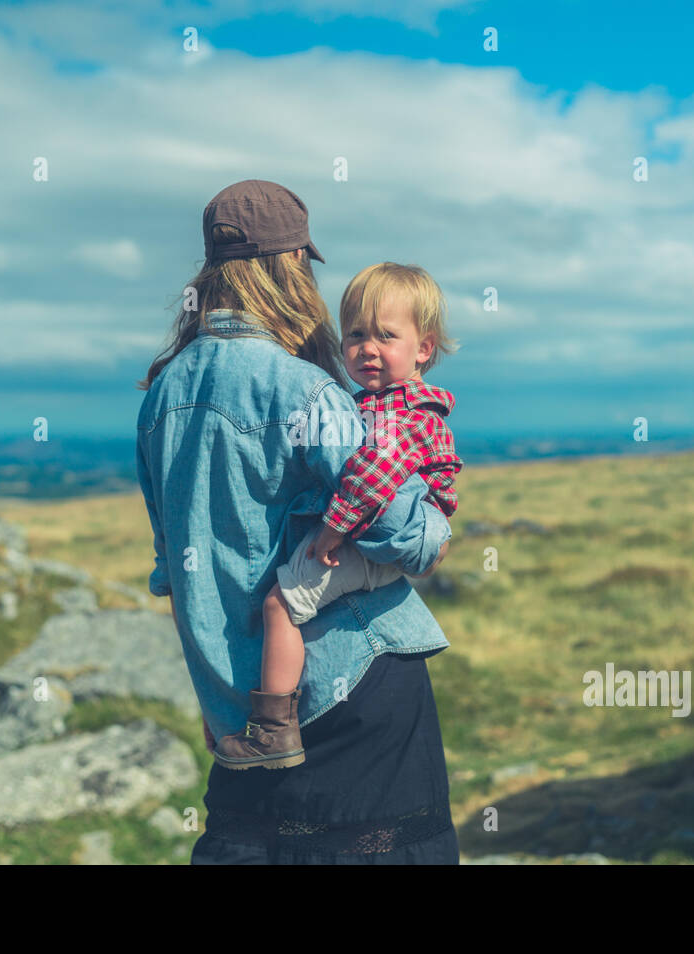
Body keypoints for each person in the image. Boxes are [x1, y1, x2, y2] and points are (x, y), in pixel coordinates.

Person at [135, 179, 460, 863]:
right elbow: (415, 538)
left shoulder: (162, 392)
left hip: (242, 709)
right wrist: (431, 523)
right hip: (354, 683)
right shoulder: (304, 387)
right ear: (289, 269)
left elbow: (177, 570)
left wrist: (217, 691)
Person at [213, 262, 462, 770]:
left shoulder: (403, 410)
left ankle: (273, 731)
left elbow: (373, 475)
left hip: (373, 542)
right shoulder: (374, 403)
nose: (368, 348)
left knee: (281, 605)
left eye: (386, 336)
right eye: (356, 334)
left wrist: (331, 530)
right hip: (377, 542)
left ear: (423, 349)